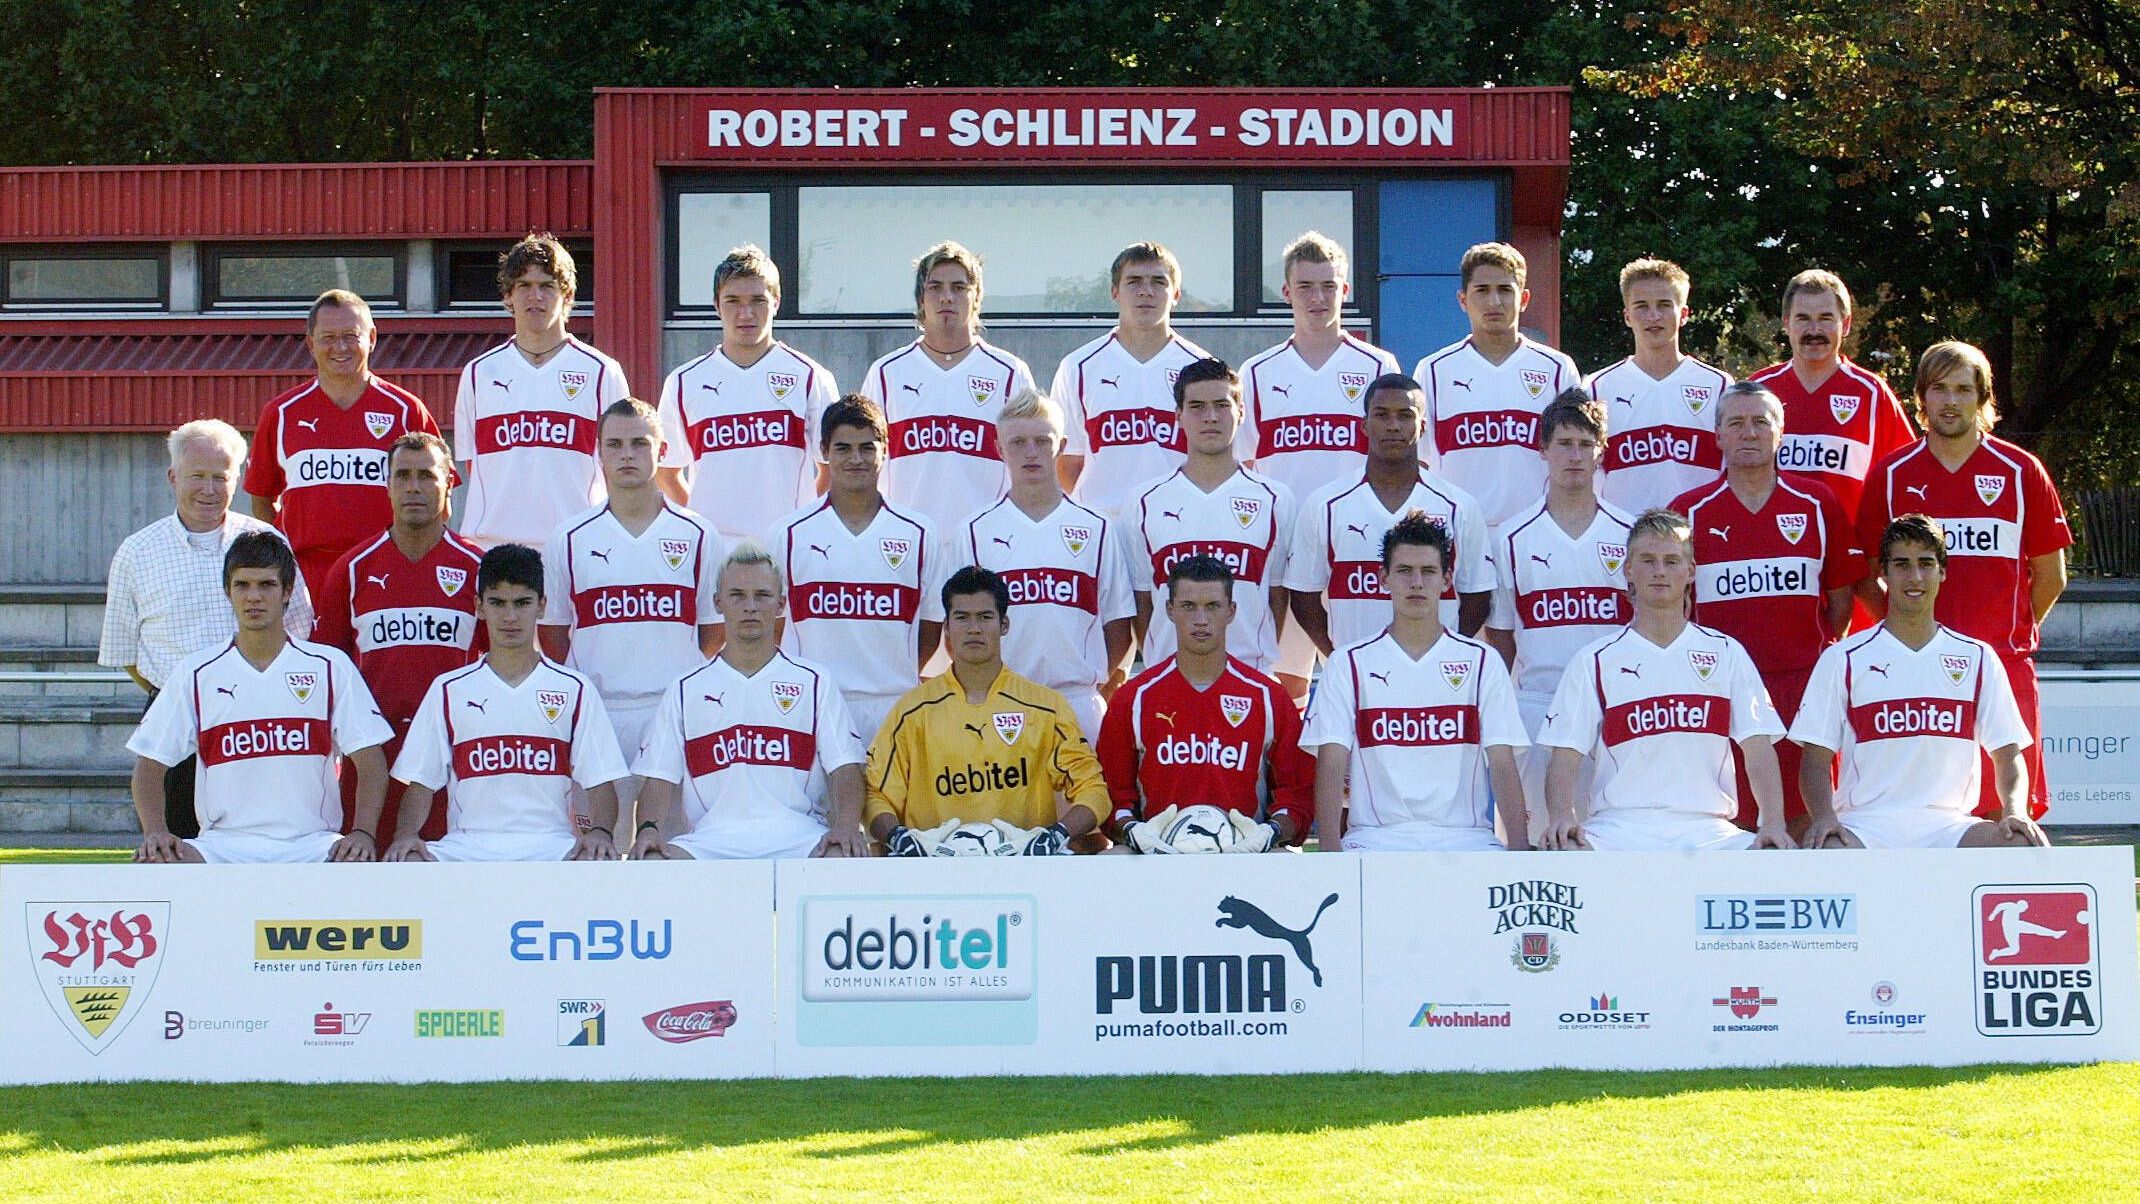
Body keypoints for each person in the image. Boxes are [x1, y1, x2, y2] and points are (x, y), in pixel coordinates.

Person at [1857, 340, 2070, 820]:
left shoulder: (2021, 471)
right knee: (1916, 813)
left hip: (2001, 666)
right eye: (1938, 389)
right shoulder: (1891, 475)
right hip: (1913, 674)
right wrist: (1907, 636)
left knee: (2007, 818)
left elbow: (2051, 576)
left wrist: (2007, 632)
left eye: (1962, 389)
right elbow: (1866, 576)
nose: (1950, 401)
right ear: (1922, 399)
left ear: (1982, 398)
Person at [100, 419, 314, 840]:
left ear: (238, 478)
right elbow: (127, 654)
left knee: (264, 838)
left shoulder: (265, 540)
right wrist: (184, 691)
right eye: (197, 476)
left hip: (259, 719)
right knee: (176, 844)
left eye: (221, 477)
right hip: (176, 723)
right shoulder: (137, 552)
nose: (209, 489)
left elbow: (299, 630)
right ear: (173, 476)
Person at [125, 532, 391, 863]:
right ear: (227, 591)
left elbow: (371, 761)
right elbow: (149, 766)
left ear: (288, 592)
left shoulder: (329, 666)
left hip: (312, 845)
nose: (254, 597)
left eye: (266, 585)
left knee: (358, 861)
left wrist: (363, 832)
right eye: (243, 585)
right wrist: (155, 832)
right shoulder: (196, 673)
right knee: (154, 862)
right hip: (223, 846)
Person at [1536, 509, 1792, 851]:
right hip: (1618, 828)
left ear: (1691, 572)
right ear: (1628, 570)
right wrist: (1562, 816)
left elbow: (1757, 749)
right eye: (1647, 560)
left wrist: (1772, 822)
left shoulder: (1726, 653)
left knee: (1774, 857)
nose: (1659, 571)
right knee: (1562, 852)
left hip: (1708, 829)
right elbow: (1565, 756)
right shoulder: (1594, 660)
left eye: (1672, 561)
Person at [1669, 382, 1863, 830]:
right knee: (1726, 818)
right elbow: (1676, 608)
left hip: (1800, 689)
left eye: (1760, 422)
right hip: (1718, 688)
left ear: (1780, 433)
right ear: (1717, 435)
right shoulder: (1689, 511)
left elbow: (1839, 601)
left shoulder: (1817, 503)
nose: (1749, 433)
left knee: (1803, 818)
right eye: (1736, 424)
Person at [1791, 514, 2045, 849]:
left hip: (1949, 826)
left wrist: (2014, 810)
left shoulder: (1977, 657)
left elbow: (2008, 754)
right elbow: (1814, 762)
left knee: (2019, 844)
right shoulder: (1844, 658)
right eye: (1902, 564)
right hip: (1865, 825)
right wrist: (1825, 819)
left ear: (1942, 571)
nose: (1915, 577)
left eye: (1926, 563)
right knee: (1826, 848)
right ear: (1883, 573)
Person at [540, 400, 725, 828]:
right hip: (599, 713)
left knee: (672, 846)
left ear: (661, 451)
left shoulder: (698, 533)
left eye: (639, 444)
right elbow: (554, 634)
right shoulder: (569, 537)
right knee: (600, 848)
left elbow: (711, 632)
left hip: (672, 713)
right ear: (598, 453)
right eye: (615, 444)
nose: (627, 454)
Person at [384, 544, 629, 862]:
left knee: (596, 858)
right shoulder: (449, 689)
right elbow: (420, 783)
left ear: (541, 606)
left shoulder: (574, 688)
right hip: (467, 848)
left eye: (522, 603)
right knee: (408, 861)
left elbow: (600, 783)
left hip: (550, 847)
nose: (510, 617)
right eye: (497, 603)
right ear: (479, 606)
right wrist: (406, 836)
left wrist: (600, 833)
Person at [1300, 513, 1529, 851]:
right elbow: (1332, 762)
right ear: (1384, 578)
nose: (1417, 583)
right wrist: (1331, 854)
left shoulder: (1482, 662)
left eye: (1428, 571)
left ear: (1447, 579)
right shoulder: (1348, 663)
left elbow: (1502, 762)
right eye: (1404, 571)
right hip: (1375, 842)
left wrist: (1520, 854)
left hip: (1467, 841)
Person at [1239, 232, 1401, 697]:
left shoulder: (1377, 365)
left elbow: (1397, 455)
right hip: (1288, 546)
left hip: (1361, 545)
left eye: (1329, 286)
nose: (1318, 297)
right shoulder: (1257, 372)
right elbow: (1246, 462)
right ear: (1286, 293)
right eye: (1306, 286)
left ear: (1345, 291)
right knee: (1288, 682)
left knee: (1366, 674)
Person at [631, 544, 869, 860]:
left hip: (800, 836)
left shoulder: (814, 681)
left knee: (843, 853)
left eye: (762, 595)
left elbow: (845, 767)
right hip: (711, 841)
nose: (750, 606)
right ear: (718, 603)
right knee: (651, 862)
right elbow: (659, 776)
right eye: (737, 595)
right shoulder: (686, 688)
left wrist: (847, 825)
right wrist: (648, 830)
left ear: (781, 604)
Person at [312, 433, 486, 844]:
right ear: (386, 484)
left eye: (426, 476)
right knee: (369, 878)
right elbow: (327, 669)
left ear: (449, 482)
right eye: (402, 475)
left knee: (449, 874)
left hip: (453, 754)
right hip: (374, 755)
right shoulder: (351, 569)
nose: (413, 486)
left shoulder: (478, 567)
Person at [865, 567, 1109, 855]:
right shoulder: (910, 712)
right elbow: (875, 794)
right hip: (933, 870)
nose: (974, 629)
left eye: (985, 617)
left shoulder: (1046, 708)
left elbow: (1094, 791)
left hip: (1024, 868)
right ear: (946, 627)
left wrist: (1056, 835)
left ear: (1004, 625)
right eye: (962, 617)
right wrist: (899, 839)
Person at [1482, 389, 1633, 835]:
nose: (1574, 456)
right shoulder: (1511, 537)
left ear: (1600, 453)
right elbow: (1503, 633)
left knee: (1608, 840)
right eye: (1564, 443)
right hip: (1539, 704)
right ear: (1543, 450)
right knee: (1533, 841)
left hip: (1613, 706)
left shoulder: (1629, 531)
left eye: (1586, 445)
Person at [1099, 555, 1313, 853]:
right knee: (1115, 858)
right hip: (1157, 855)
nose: (1201, 620)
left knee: (1285, 862)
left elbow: (1297, 792)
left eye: (1212, 606)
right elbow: (1112, 792)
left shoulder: (1268, 696)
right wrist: (1133, 832)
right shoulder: (1134, 697)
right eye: (1189, 606)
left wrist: (1270, 833)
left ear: (1231, 611)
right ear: (1170, 610)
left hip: (1243, 854)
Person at [771, 395, 950, 747]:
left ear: (885, 450)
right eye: (843, 448)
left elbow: (931, 626)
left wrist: (893, 675)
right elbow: (775, 626)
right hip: (814, 707)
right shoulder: (789, 533)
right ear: (824, 451)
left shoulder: (918, 532)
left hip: (893, 706)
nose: (856, 459)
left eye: (867, 448)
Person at [245, 289, 444, 600]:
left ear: (372, 338)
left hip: (385, 572)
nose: (340, 347)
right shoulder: (281, 413)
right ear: (311, 343)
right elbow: (261, 498)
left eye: (351, 336)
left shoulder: (406, 410)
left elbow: (439, 497)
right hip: (304, 580)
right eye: (328, 337)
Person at [960, 389, 1135, 741]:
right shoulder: (975, 530)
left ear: (1062, 444)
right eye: (1018, 442)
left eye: (1042, 440)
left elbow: (1119, 626)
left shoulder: (1097, 527)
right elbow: (960, 629)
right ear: (998, 448)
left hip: (1077, 702)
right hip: (1001, 701)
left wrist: (1092, 681)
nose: (1030, 452)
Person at [1287, 372, 1492, 655]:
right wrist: (1338, 657)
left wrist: (1444, 651)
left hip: (1434, 676)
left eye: (1405, 416)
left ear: (1421, 426)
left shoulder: (1459, 507)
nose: (1393, 426)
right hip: (1356, 677)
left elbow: (1478, 596)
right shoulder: (1325, 504)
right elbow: (1303, 595)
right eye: (1382, 415)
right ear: (1364, 425)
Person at [454, 233, 631, 551]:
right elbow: (472, 466)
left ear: (567, 295)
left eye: (547, 285)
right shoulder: (479, 373)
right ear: (508, 296)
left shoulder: (602, 372)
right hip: (492, 545)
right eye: (524, 285)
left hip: (577, 543)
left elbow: (620, 465)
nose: (535, 296)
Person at [653, 244, 839, 545]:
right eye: (733, 301)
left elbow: (831, 469)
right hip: (715, 552)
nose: (746, 313)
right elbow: (666, 472)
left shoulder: (811, 377)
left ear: (776, 302)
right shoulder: (684, 381)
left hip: (788, 547)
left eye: (757, 300)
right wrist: (702, 522)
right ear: (716, 305)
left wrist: (799, 519)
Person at [1128, 357, 1296, 682]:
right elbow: (1143, 600)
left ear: (1241, 412)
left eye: (1222, 405)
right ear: (1178, 416)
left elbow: (1276, 595)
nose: (1210, 417)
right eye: (1197, 406)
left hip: (1250, 678)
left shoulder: (1275, 499)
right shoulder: (1144, 501)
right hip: (1169, 680)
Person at [861, 241, 1037, 530]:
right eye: (935, 287)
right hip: (906, 539)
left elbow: (1033, 461)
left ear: (977, 297)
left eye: (958, 287)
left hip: (987, 539)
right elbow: (866, 463)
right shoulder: (886, 373)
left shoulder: (1009, 372)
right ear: (920, 300)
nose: (946, 297)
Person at [1416, 241, 1583, 529]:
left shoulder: (1557, 369)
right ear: (1462, 299)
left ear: (1524, 299)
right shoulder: (1433, 370)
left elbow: (1576, 457)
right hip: (1460, 532)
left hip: (1538, 531)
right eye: (1482, 290)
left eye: (1505, 290)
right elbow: (1419, 463)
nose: (1494, 302)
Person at [1050, 241, 1212, 519]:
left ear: (1176, 294)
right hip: (1102, 527)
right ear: (1115, 292)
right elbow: (1067, 462)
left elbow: (1213, 458)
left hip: (1177, 524)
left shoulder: (1202, 368)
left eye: (1158, 282)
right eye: (1134, 281)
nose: (1146, 291)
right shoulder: (1078, 367)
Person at [1747, 269, 1914, 527]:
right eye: (1803, 318)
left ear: (1845, 324)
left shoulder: (1871, 393)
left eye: (1826, 318)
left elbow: (1904, 478)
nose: (1814, 330)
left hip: (1849, 557)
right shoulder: (1757, 390)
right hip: (1774, 555)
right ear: (1786, 322)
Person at [1587, 259, 1733, 514]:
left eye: (1664, 305)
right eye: (1642, 306)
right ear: (1627, 316)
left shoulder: (1719, 385)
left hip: (1697, 537)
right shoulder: (1598, 387)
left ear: (1684, 314)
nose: (1653, 316)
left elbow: (1731, 469)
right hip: (1626, 542)